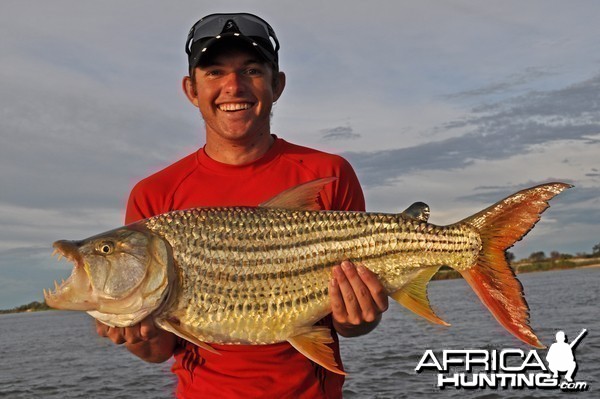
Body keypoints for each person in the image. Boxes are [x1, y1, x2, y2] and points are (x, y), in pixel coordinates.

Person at [95, 13, 388, 398]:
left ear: (276, 84)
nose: (233, 86)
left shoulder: (328, 173)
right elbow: (158, 350)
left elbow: (348, 322)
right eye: (214, 72)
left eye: (251, 70)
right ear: (191, 89)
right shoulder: (153, 195)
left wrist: (357, 320)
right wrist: (135, 334)